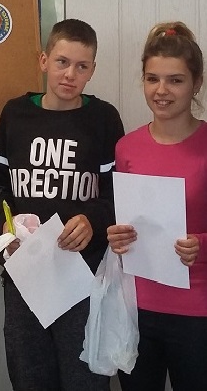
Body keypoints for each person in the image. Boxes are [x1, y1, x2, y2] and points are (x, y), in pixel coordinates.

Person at [0, 18, 125, 390]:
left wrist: (92, 219)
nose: (70, 74)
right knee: (30, 378)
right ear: (44, 60)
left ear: (92, 70)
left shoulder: (104, 119)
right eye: (62, 62)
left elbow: (118, 193)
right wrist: (5, 225)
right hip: (25, 276)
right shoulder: (15, 114)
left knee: (85, 380)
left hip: (84, 278)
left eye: (81, 66)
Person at [107, 21, 207, 390]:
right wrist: (116, 237)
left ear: (196, 84)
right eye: (152, 79)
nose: (161, 91)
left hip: (197, 311)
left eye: (175, 80)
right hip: (136, 309)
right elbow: (125, 222)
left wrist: (202, 245)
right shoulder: (127, 147)